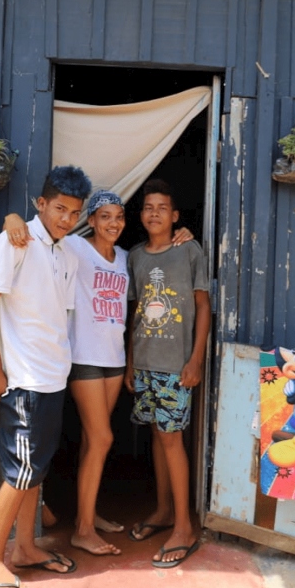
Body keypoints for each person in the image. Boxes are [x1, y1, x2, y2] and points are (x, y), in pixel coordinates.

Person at [3, 190, 193, 557]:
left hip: (114, 359)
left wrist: (184, 234)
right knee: (102, 437)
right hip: (84, 358)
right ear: (91, 220)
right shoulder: (74, 247)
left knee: (95, 442)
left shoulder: (125, 257)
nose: (113, 223)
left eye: (119, 217)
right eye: (105, 216)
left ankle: (88, 516)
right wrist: (13, 220)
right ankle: (83, 530)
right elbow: (41, 234)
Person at [0, 166, 91, 588]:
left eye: (74, 212)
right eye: (59, 208)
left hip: (52, 377)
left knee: (34, 469)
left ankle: (24, 548)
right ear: (41, 204)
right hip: (23, 378)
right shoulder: (16, 241)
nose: (66, 218)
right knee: (21, 471)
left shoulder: (68, 252)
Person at [124, 178, 210, 568]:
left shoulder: (189, 251)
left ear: (175, 216)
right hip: (144, 363)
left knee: (172, 440)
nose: (154, 212)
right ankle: (161, 511)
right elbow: (134, 312)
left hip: (176, 365)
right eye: (148, 207)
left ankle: (183, 527)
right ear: (140, 216)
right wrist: (129, 362)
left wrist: (195, 359)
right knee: (160, 438)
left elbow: (203, 307)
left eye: (162, 207)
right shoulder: (135, 256)